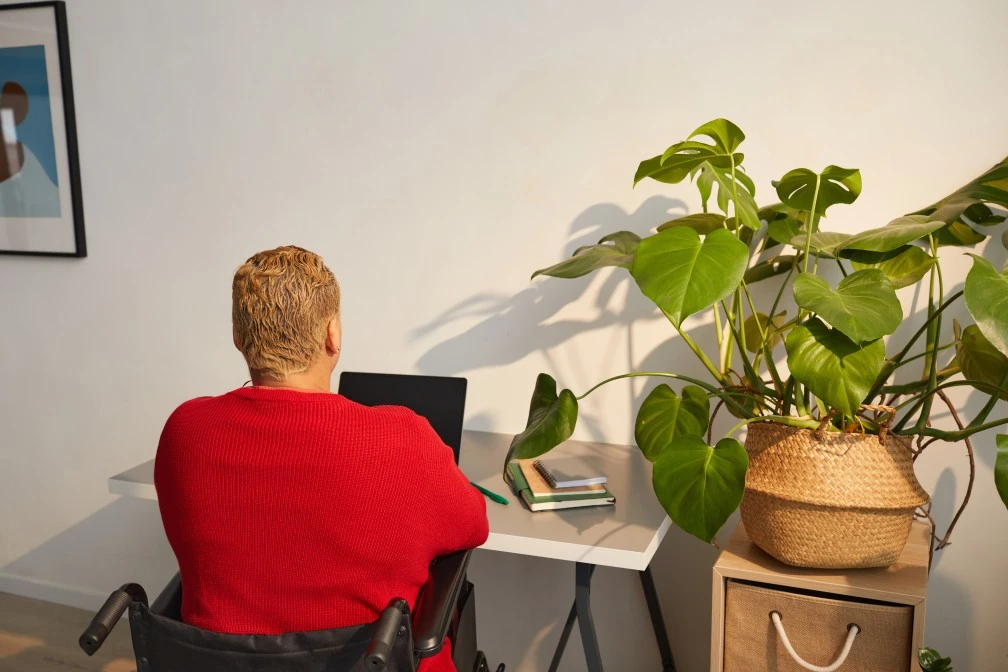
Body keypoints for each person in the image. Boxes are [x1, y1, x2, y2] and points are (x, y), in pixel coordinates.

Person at [154, 245, 489, 672]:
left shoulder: (186, 430)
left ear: (239, 336)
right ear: (333, 334)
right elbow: (473, 525)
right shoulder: (403, 438)